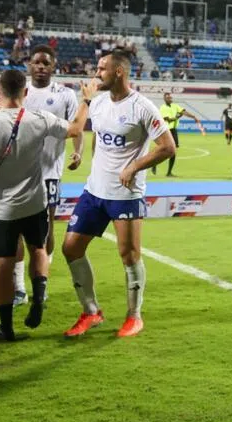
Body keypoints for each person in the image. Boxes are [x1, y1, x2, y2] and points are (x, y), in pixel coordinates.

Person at [0, 69, 90, 341]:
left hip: (3, 208)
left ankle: (6, 327)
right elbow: (75, 128)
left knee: (4, 263)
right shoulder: (39, 118)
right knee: (38, 248)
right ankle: (39, 297)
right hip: (36, 202)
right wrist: (86, 100)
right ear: (25, 93)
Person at [61, 50, 175, 340]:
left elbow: (167, 147)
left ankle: (134, 317)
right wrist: (82, 155)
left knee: (129, 255)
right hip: (94, 191)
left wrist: (134, 166)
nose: (97, 73)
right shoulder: (97, 103)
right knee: (71, 247)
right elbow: (91, 135)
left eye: (102, 69)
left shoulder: (142, 107)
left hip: (125, 195)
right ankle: (91, 311)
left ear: (119, 72)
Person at [10, 45, 84, 306]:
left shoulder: (64, 94)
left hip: (50, 171)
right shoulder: (20, 91)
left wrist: (78, 152)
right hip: (18, 171)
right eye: (36, 63)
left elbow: (77, 127)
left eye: (46, 63)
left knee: (47, 227)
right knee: (16, 229)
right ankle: (19, 287)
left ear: (54, 67)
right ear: (29, 65)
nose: (41, 67)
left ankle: (42, 280)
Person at [153, 92, 204, 177]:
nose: (170, 99)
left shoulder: (175, 106)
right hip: (166, 131)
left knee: (173, 152)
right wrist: (177, 117)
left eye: (170, 97)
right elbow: (168, 119)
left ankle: (169, 172)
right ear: (164, 99)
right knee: (164, 150)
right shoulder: (162, 108)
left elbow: (184, 112)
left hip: (173, 131)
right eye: (168, 98)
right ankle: (154, 164)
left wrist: (194, 117)